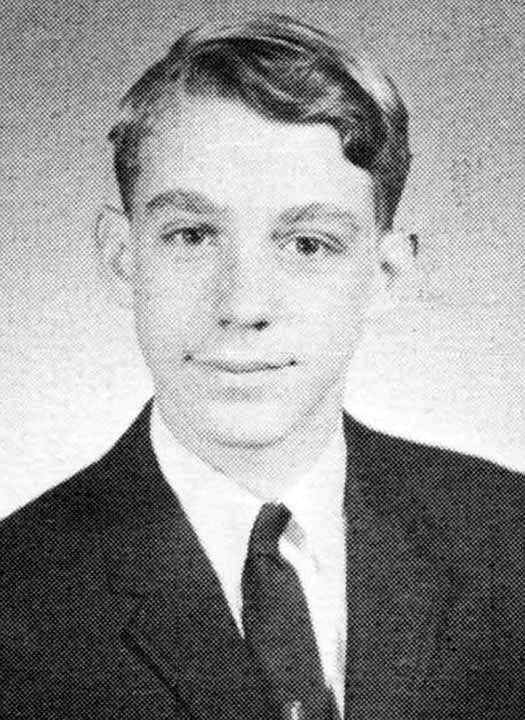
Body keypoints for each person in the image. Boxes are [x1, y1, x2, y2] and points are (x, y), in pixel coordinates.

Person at [0, 13, 523, 720]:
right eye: (192, 235)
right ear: (124, 259)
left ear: (385, 275)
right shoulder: (17, 594)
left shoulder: (508, 539)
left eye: (308, 244)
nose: (243, 305)